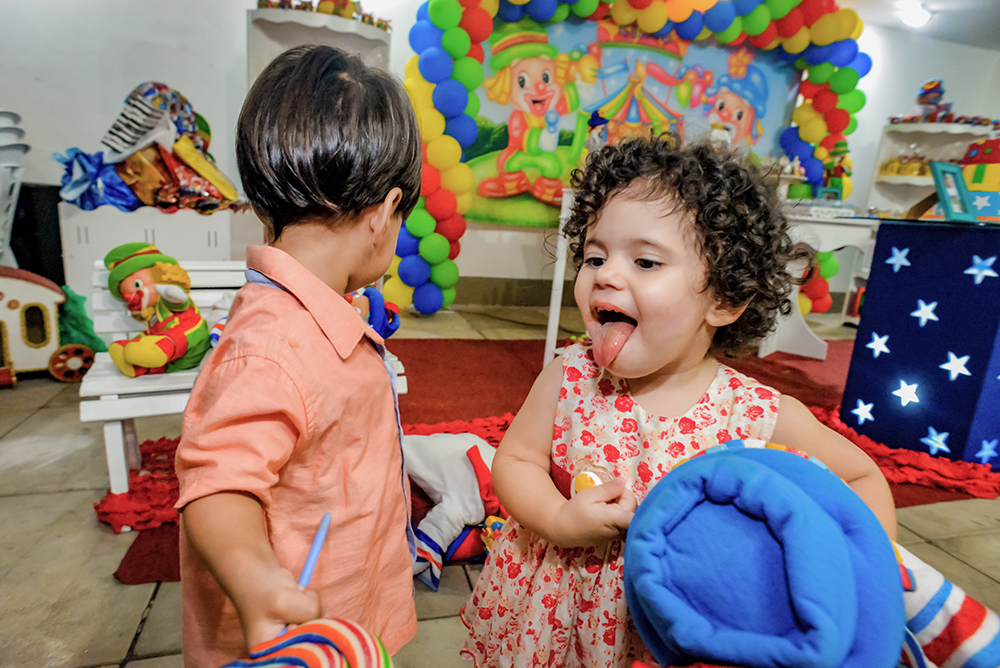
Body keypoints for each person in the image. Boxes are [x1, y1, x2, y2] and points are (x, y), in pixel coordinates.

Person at [460, 136, 898, 666]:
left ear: (723, 299)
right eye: (595, 255)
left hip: (680, 625)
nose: (607, 275)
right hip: (558, 611)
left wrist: (859, 572)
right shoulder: (570, 376)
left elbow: (861, 478)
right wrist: (556, 516)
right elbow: (516, 459)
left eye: (645, 262)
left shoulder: (756, 414)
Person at [174, 45, 422, 668]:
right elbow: (216, 484)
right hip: (294, 639)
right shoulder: (273, 345)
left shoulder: (313, 315)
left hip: (347, 609)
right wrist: (255, 577)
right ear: (386, 213)